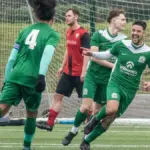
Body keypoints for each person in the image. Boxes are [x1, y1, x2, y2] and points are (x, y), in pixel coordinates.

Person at [80, 20, 149, 150]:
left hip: (130, 90)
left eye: (138, 31)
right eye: (133, 30)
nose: (135, 33)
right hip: (115, 83)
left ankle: (86, 141)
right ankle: (93, 121)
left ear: (143, 33)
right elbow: (107, 54)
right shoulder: (122, 44)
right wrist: (92, 53)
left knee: (109, 120)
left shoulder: (147, 52)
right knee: (111, 109)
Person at [62, 8, 127, 146]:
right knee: (86, 107)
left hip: (108, 81)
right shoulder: (99, 34)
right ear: (114, 20)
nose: (125, 22)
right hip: (92, 77)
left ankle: (85, 140)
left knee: (97, 111)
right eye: (123, 19)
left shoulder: (123, 41)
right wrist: (113, 66)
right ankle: (73, 131)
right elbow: (95, 57)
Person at [0, 0, 60, 149]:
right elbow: (47, 54)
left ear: (37, 16)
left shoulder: (25, 31)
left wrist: (6, 80)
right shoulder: (52, 34)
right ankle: (26, 147)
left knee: (2, 108)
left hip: (15, 76)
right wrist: (41, 76)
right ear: (52, 19)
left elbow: (12, 58)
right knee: (31, 113)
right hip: (32, 78)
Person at [36, 8, 90, 131]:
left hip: (79, 74)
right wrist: (62, 66)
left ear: (76, 17)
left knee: (86, 103)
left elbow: (86, 53)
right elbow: (68, 50)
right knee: (57, 96)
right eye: (66, 16)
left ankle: (88, 126)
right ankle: (49, 123)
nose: (66, 18)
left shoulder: (83, 34)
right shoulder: (68, 31)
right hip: (68, 73)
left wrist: (84, 71)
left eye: (69, 16)